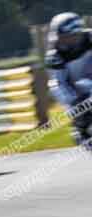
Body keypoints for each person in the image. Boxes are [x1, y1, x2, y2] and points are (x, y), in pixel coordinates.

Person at [45, 12, 92, 144]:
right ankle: (81, 128)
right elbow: (58, 84)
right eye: (59, 36)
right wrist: (73, 102)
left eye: (64, 36)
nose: (60, 40)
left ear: (76, 34)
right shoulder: (55, 56)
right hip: (76, 90)